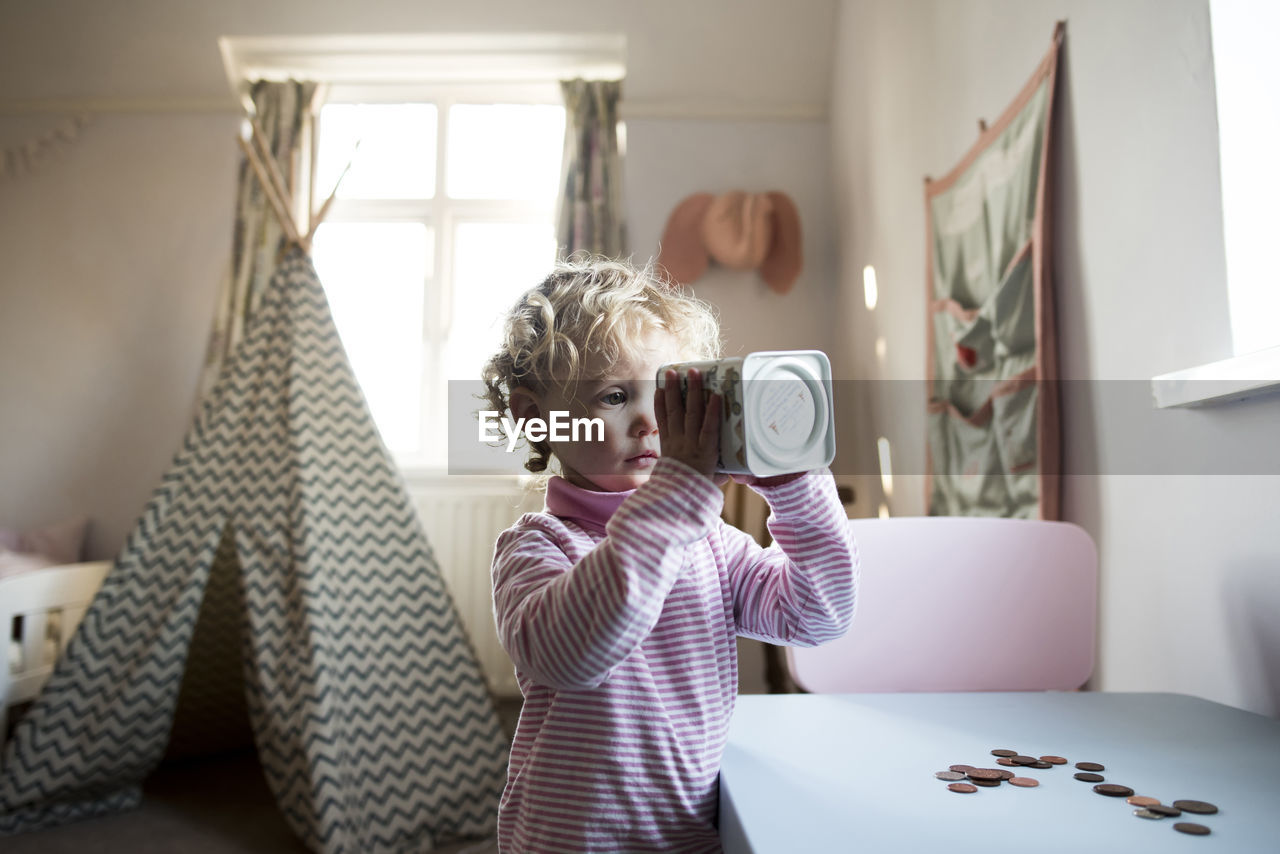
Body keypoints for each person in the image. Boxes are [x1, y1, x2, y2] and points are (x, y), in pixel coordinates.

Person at [479, 256, 857, 853]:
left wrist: (794, 484)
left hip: (686, 837)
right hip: (572, 841)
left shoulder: (710, 544)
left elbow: (818, 615)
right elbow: (572, 655)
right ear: (538, 417)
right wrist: (676, 497)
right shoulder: (537, 548)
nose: (650, 423)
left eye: (669, 396)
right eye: (613, 395)